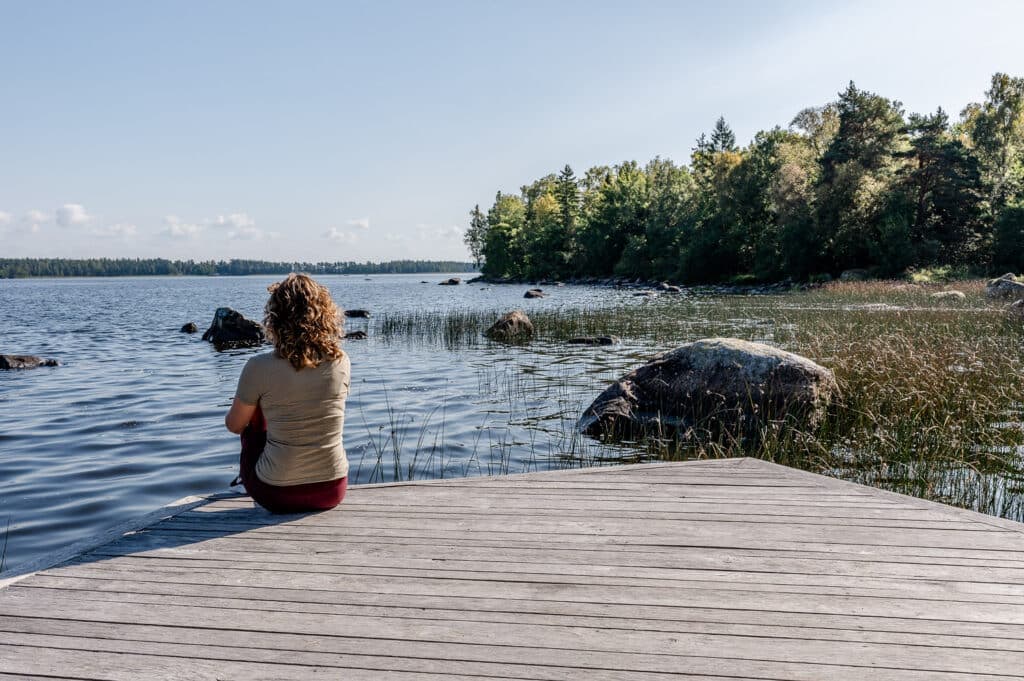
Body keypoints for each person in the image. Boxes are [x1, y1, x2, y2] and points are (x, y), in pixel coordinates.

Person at [224, 273, 350, 513]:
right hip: (333, 489)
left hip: (275, 493)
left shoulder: (259, 366)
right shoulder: (341, 361)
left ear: (275, 318)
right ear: (326, 316)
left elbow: (234, 425)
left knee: (255, 414)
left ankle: (253, 478)